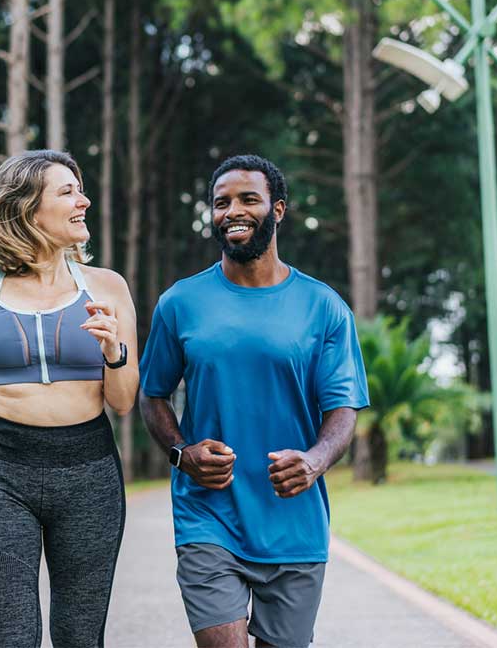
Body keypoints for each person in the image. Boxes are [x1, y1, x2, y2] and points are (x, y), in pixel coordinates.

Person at [138, 154, 369, 648]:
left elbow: (343, 409)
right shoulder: (180, 303)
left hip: (295, 522)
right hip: (207, 516)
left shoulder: (324, 307)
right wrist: (182, 453)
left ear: (277, 209)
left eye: (248, 199)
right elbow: (152, 394)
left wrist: (314, 461)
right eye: (221, 203)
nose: (232, 212)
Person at [0, 149, 139, 648]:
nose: (84, 201)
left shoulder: (107, 288)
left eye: (80, 190)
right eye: (67, 192)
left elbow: (124, 402)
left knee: (79, 635)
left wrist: (114, 351)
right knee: (12, 635)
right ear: (28, 209)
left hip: (88, 472)